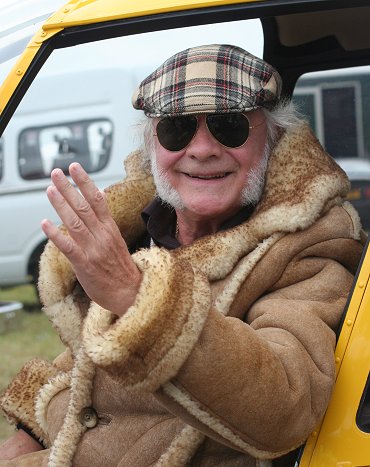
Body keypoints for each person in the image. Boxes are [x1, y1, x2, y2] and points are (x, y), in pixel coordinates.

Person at [0, 44, 365, 467]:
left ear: (274, 138)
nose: (203, 149)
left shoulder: (310, 245)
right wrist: (27, 433)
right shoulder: (140, 228)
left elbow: (285, 406)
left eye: (230, 127)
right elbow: (85, 361)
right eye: (176, 130)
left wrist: (137, 297)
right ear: (153, 146)